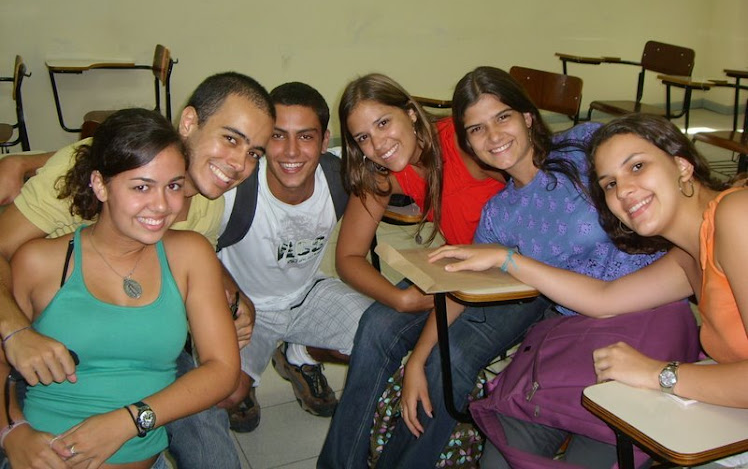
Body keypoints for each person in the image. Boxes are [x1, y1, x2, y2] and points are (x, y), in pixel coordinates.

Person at [396, 67, 696, 468]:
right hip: (576, 340)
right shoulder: (499, 214)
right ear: (467, 142)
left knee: (599, 454)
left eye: (502, 117)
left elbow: (664, 169)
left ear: (527, 116)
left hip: (648, 322)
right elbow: (460, 291)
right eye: (477, 129)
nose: (494, 136)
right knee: (501, 460)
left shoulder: (584, 145)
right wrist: (419, 359)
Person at [432, 113, 747, 466]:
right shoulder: (687, 257)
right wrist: (507, 259)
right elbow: (604, 298)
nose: (624, 190)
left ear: (682, 165)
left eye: (638, 166)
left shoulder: (736, 215)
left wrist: (657, 372)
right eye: (609, 183)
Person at [0, 72, 275, 469]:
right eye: (231, 138)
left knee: (211, 446)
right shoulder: (70, 191)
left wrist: (234, 294)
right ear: (189, 123)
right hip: (52, 334)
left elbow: (198, 262)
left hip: (146, 340)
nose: (239, 164)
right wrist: (15, 333)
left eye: (254, 153)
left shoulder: (208, 201)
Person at [318, 72, 544, 469]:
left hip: (525, 279)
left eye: (384, 123)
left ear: (410, 112)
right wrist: (400, 299)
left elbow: (532, 179)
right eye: (362, 137)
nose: (378, 144)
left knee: (451, 358)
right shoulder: (382, 170)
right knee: (376, 325)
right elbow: (349, 257)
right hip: (463, 270)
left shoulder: (464, 144)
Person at [215, 82, 372, 432]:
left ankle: (299, 355)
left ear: (324, 139)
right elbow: (187, 246)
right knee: (225, 393)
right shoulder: (236, 187)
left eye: (305, 137)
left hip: (305, 295)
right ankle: (246, 378)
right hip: (245, 310)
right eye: (277, 135)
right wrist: (229, 295)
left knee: (380, 338)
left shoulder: (339, 176)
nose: (290, 152)